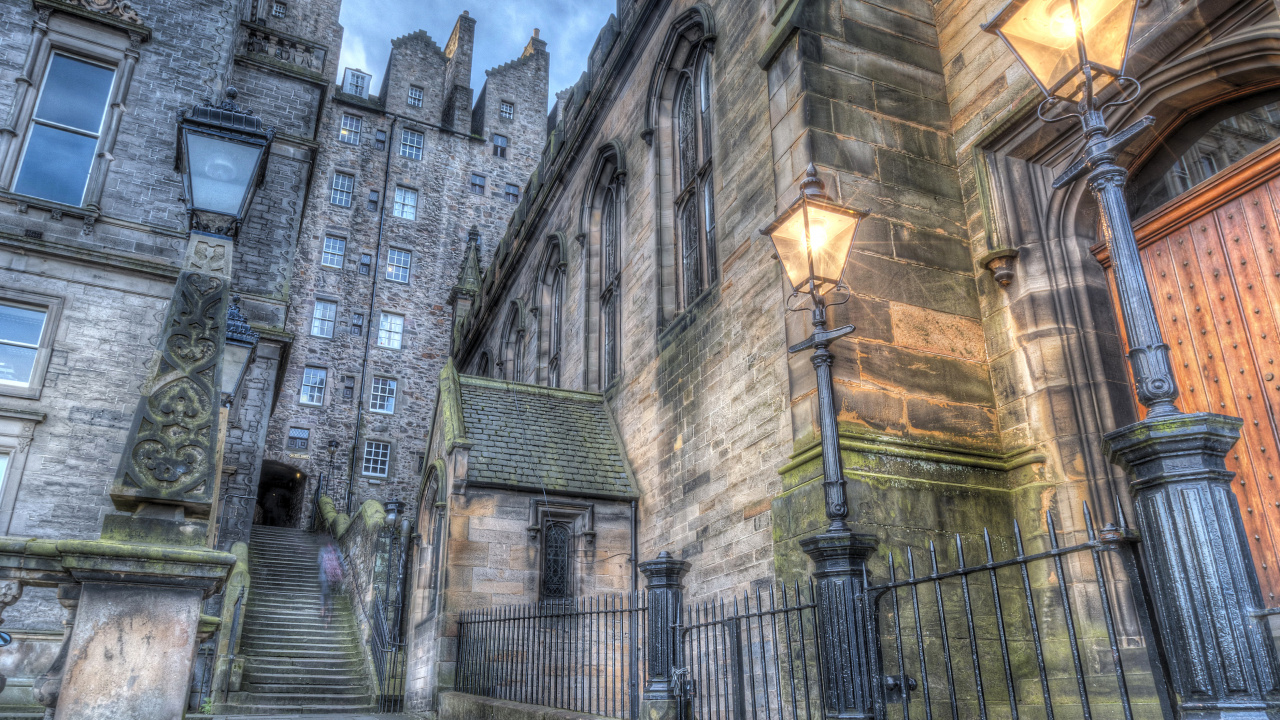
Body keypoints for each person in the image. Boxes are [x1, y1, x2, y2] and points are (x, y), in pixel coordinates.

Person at [318, 540, 343, 624]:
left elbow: (318, 562)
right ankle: (329, 616)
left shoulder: (323, 550)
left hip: (324, 577)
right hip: (334, 578)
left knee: (324, 595)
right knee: (330, 597)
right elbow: (342, 562)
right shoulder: (336, 550)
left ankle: (323, 610)